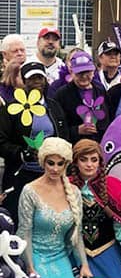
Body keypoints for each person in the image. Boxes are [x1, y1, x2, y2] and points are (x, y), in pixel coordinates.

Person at [17, 137, 92, 278]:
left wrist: (84, 266)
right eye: (51, 163)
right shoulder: (30, 190)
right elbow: (24, 232)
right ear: (43, 162)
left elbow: (76, 234)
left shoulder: (74, 192)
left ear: (66, 164)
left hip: (60, 256)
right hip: (35, 255)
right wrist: (30, 268)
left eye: (61, 164)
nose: (55, 168)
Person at [69, 139, 121, 278]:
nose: (89, 165)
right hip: (75, 251)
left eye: (94, 160)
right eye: (83, 159)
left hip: (106, 249)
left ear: (100, 162)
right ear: (75, 162)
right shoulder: (66, 187)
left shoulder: (114, 187)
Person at [0, 62, 69, 225]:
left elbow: (64, 136)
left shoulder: (54, 106)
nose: (37, 82)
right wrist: (21, 153)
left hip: (51, 174)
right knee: (18, 221)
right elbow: (1, 141)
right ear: (24, 81)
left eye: (40, 77)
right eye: (32, 78)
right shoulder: (12, 109)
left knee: (49, 221)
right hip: (21, 174)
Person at [55, 50, 110, 145]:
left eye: (87, 72)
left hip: (97, 146)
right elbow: (57, 126)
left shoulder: (100, 89)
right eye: (80, 73)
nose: (84, 76)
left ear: (93, 71)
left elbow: (107, 118)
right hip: (73, 147)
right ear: (71, 72)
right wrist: (77, 130)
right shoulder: (62, 94)